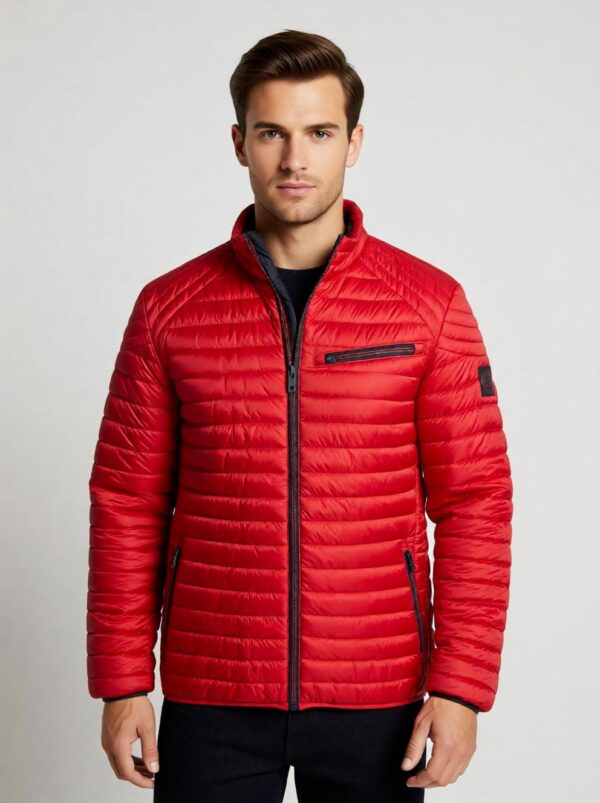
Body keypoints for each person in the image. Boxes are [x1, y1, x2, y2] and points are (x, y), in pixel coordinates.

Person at [87, 29, 513, 802]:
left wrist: (460, 686)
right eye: (271, 133)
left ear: (354, 142)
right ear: (238, 143)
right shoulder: (168, 310)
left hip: (378, 694)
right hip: (213, 690)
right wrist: (122, 683)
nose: (294, 160)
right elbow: (127, 501)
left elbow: (475, 500)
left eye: (318, 133)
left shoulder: (428, 305)